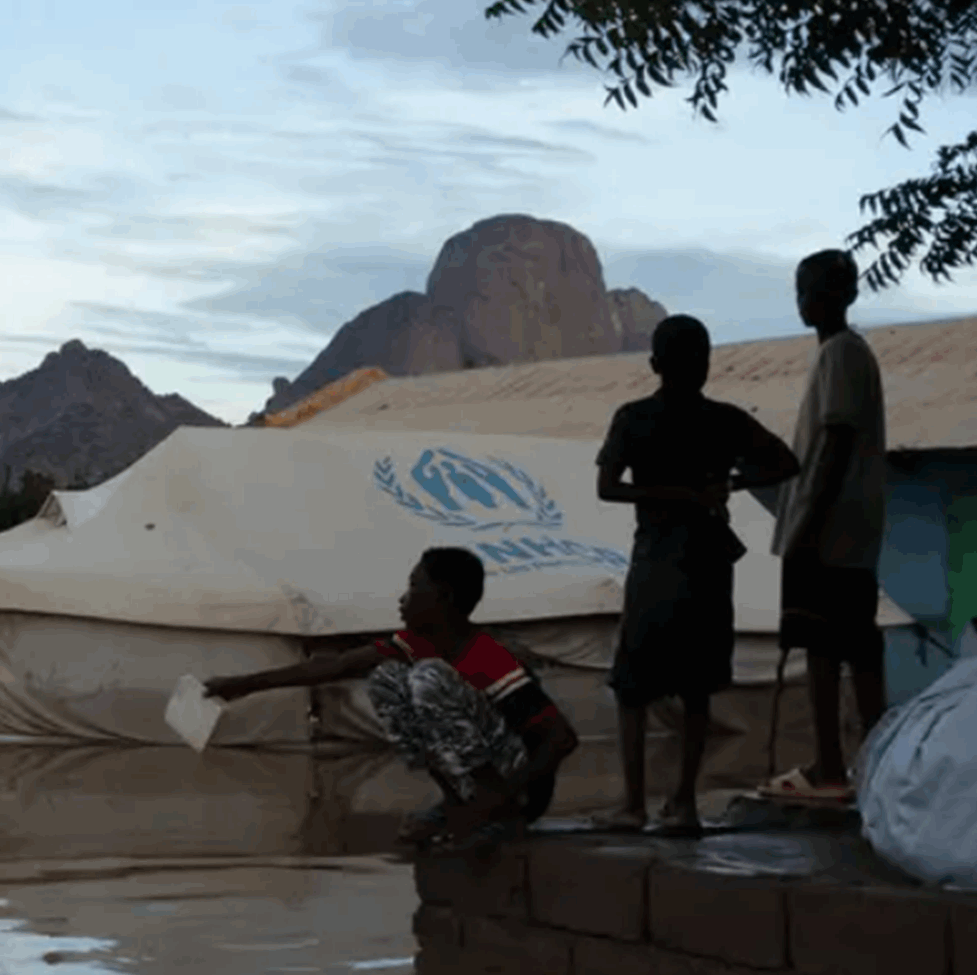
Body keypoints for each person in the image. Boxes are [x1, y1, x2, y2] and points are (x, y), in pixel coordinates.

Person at [202, 547, 578, 849]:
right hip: (481, 782)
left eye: (414, 588)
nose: (403, 599)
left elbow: (561, 739)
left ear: (443, 597)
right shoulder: (417, 644)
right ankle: (457, 802)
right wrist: (243, 685)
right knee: (387, 680)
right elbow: (336, 666)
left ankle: (494, 812)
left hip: (518, 788)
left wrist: (502, 798)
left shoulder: (487, 657)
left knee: (428, 677)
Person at [594, 315, 801, 835]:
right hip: (705, 561)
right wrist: (720, 486)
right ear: (704, 365)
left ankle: (635, 804)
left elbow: (608, 488)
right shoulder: (724, 420)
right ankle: (682, 804)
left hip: (658, 560)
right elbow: (785, 463)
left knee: (634, 687)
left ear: (654, 365)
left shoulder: (634, 418)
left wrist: (673, 494)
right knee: (695, 687)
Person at [761, 249, 888, 802]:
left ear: (846, 295)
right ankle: (872, 766)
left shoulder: (841, 353)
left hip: (828, 532)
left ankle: (832, 766)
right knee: (852, 647)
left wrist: (806, 524)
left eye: (817, 290)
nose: (807, 299)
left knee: (826, 649)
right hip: (844, 534)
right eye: (803, 289)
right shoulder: (842, 354)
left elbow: (833, 444)